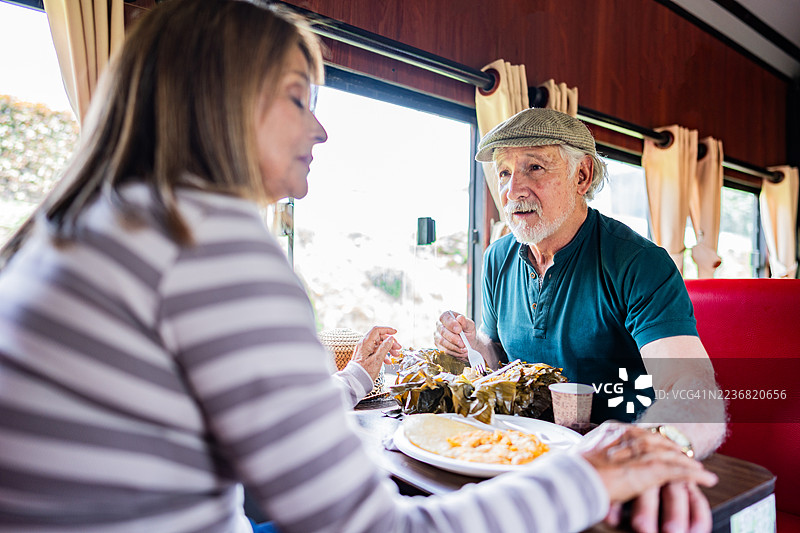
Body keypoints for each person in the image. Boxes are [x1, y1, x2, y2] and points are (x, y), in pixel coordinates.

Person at [0, 1, 717, 532]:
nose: (321, 127)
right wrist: (579, 462)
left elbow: (697, 401)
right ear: (218, 101)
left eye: (534, 167)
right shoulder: (204, 243)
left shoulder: (78, 229)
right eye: (296, 97)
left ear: (586, 175)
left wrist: (647, 448)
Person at [434, 107, 727, 531]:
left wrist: (663, 446)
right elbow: (499, 362)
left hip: (614, 472)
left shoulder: (640, 263)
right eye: (503, 173)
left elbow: (694, 387)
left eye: (534, 167)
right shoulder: (497, 258)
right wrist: (471, 345)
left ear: (582, 176)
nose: (514, 188)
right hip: (523, 460)